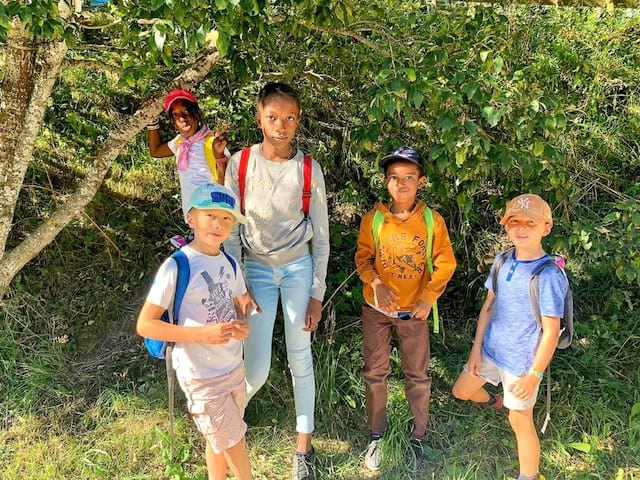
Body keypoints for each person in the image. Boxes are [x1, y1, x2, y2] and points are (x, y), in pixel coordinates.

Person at [224, 82, 330, 480]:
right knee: (258, 368)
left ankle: (304, 448)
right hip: (255, 271)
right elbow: (231, 230)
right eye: (273, 117)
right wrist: (239, 285)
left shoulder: (308, 169)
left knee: (300, 355)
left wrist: (316, 294)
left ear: (298, 121)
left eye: (289, 118)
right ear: (259, 118)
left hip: (298, 269)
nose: (281, 126)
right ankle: (224, 427)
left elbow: (320, 237)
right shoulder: (241, 164)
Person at [136, 183, 254, 480]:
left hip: (233, 367)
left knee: (219, 442)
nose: (219, 223)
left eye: (227, 218)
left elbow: (240, 302)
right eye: (210, 215)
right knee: (233, 442)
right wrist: (203, 335)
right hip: (201, 375)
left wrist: (242, 323)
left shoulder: (229, 263)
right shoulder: (177, 266)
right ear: (191, 218)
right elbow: (145, 324)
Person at [451, 193, 569, 480]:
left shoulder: (548, 275)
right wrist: (475, 350)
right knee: (461, 391)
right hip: (490, 352)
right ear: (506, 226)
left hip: (521, 364)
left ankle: (527, 476)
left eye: (530, 222)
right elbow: (488, 306)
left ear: (546, 227)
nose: (521, 228)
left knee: (519, 420)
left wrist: (534, 376)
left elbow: (551, 332)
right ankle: (496, 401)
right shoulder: (503, 260)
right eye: (514, 221)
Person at [354, 146, 457, 471]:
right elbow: (363, 259)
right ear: (386, 182)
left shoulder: (431, 221)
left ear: (420, 181)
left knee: (418, 375)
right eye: (394, 178)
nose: (401, 184)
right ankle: (377, 435)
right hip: (376, 311)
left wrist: (428, 297)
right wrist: (377, 284)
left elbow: (445, 263)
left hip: (414, 311)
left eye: (409, 178)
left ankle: (417, 437)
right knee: (375, 372)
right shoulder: (374, 220)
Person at [147, 89, 230, 234]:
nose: (182, 119)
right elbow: (156, 151)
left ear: (197, 114)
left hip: (214, 217)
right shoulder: (180, 142)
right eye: (175, 115)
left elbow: (227, 184)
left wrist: (219, 155)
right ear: (173, 122)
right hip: (195, 219)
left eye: (186, 112)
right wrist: (152, 120)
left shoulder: (212, 143)